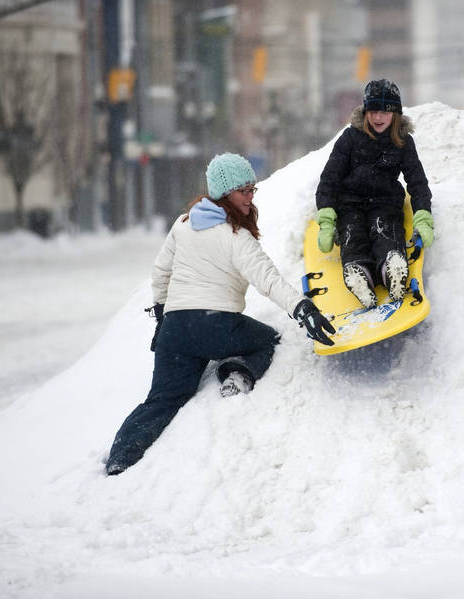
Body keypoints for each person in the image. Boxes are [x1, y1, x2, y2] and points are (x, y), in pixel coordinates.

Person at [105, 153, 334, 476]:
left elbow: (160, 275)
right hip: (217, 327)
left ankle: (121, 458)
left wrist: (161, 316)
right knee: (268, 340)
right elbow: (268, 280)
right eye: (244, 191)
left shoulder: (182, 225)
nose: (251, 196)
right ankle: (236, 373)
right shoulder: (235, 237)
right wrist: (303, 308)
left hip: (175, 331)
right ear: (225, 193)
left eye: (253, 189)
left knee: (162, 400)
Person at [314, 78, 434, 309]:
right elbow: (329, 179)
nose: (378, 118)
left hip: (385, 203)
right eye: (373, 111)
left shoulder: (403, 142)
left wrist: (423, 217)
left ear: (395, 114)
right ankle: (359, 273)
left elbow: (417, 182)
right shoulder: (350, 138)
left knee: (386, 231)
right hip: (349, 204)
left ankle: (392, 268)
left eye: (385, 112)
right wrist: (327, 220)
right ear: (365, 111)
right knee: (352, 236)